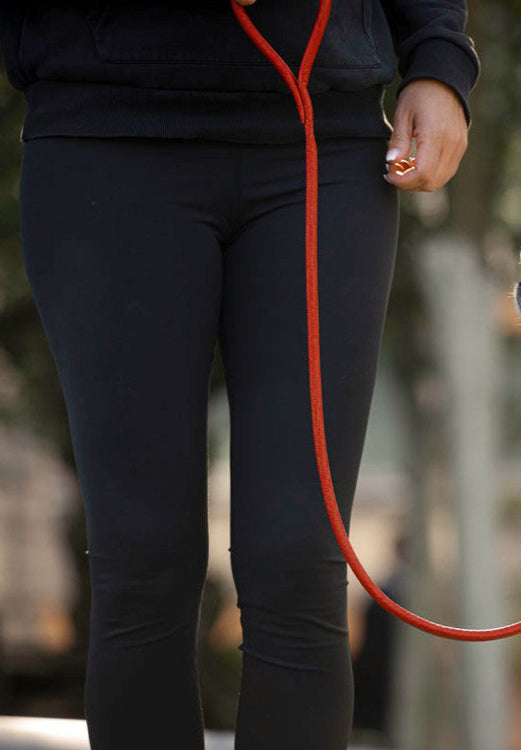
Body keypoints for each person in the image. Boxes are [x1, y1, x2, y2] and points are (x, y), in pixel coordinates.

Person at [0, 1, 477, 749]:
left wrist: (440, 60)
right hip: (107, 141)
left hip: (325, 147)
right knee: (143, 563)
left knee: (298, 563)